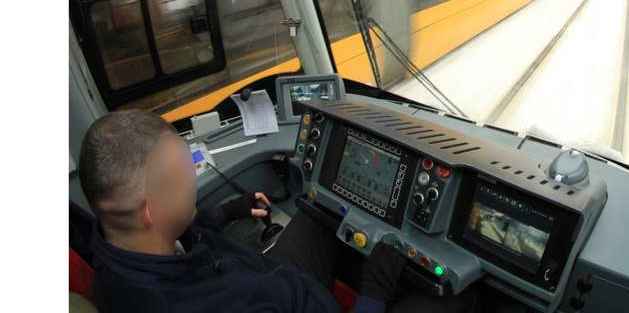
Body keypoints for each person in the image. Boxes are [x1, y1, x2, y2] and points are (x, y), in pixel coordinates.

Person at [78, 110, 480, 313]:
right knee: (452, 301)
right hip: (286, 298)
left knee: (315, 208)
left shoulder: (118, 246)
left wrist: (226, 213)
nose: (193, 176)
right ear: (155, 211)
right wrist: (374, 292)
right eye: (187, 172)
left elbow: (182, 234)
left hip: (270, 278)